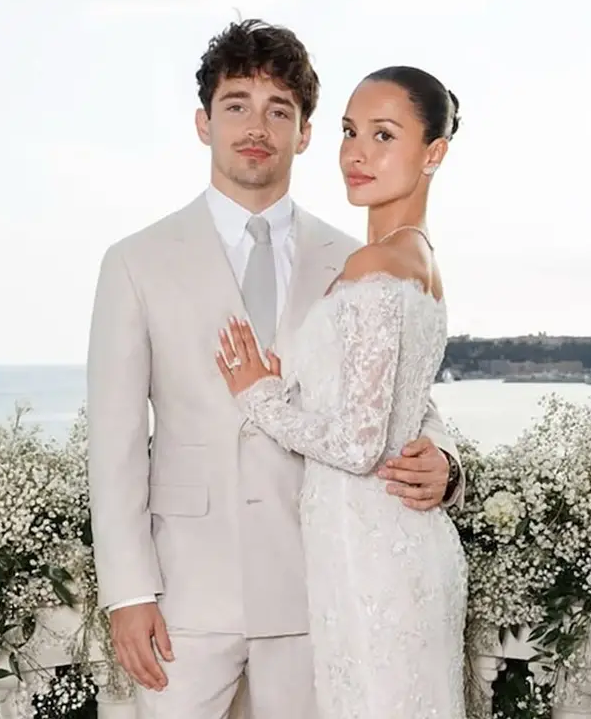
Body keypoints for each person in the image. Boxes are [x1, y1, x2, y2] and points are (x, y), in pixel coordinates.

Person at [85, 20, 465, 719]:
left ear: (306, 132)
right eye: (236, 106)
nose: (256, 127)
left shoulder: (357, 254)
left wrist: (446, 463)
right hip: (187, 596)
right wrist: (128, 592)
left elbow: (404, 395)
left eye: (278, 110)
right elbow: (111, 443)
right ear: (204, 123)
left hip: (321, 592)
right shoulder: (135, 261)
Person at [215, 65, 467, 718]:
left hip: (370, 556)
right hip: (391, 543)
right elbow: (403, 405)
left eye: (384, 135)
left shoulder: (377, 265)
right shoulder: (421, 263)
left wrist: (260, 394)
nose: (357, 153)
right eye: (350, 131)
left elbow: (358, 443)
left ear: (432, 152)